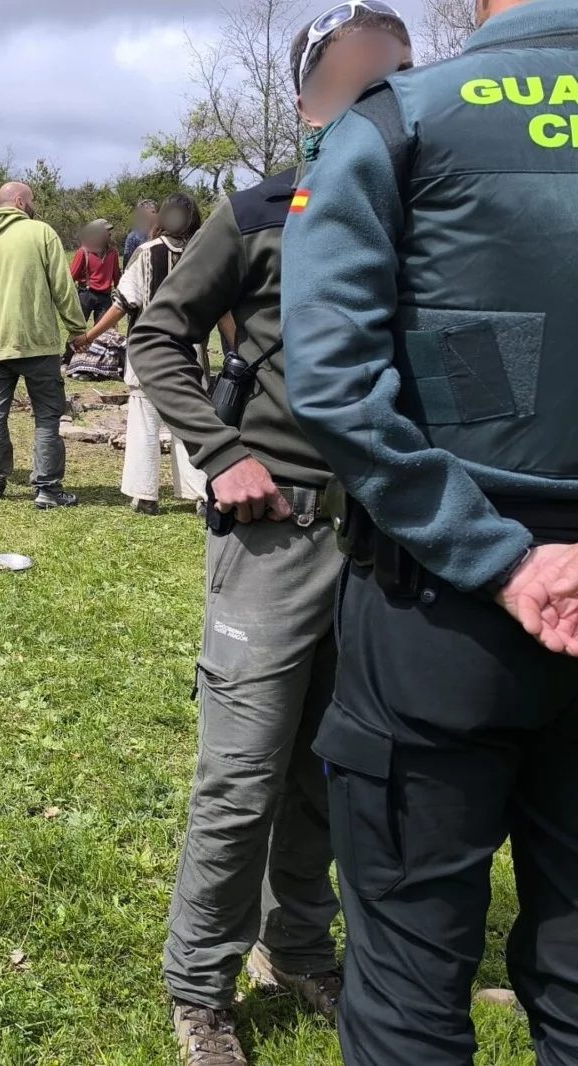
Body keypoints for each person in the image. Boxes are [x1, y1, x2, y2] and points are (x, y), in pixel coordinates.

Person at [283, 0, 578, 1062]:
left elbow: (330, 379)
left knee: (408, 974)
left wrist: (498, 558)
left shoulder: (399, 121)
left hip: (440, 607)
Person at [124, 5, 413, 1062]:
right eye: (355, 82)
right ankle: (197, 987)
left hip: (384, 540)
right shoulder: (255, 212)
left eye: (396, 79)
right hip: (272, 531)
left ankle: (297, 949)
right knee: (241, 773)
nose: (380, 99)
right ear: (305, 103)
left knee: (330, 769)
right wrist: (219, 448)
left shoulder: (418, 207)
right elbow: (157, 336)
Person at [0, 182, 87, 509]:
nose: (34, 206)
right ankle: (47, 489)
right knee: (46, 416)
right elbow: (62, 286)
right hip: (38, 343)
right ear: (18, 202)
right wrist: (76, 328)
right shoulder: (40, 232)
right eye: (32, 201)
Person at [80, 194, 208, 515]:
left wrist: (88, 336)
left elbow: (123, 304)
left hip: (149, 353)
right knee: (190, 425)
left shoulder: (147, 253)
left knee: (144, 425)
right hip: (190, 355)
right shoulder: (204, 255)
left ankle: (146, 496)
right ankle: (201, 496)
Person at [70, 219, 121, 327]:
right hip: (86, 294)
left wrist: (121, 292)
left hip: (105, 296)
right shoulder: (83, 252)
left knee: (103, 332)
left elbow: (116, 274)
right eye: (106, 231)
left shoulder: (113, 253)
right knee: (78, 328)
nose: (109, 234)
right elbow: (71, 276)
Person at [124, 199, 158, 264]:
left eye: (154, 212)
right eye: (152, 212)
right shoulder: (133, 237)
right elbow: (127, 262)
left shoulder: (162, 233)